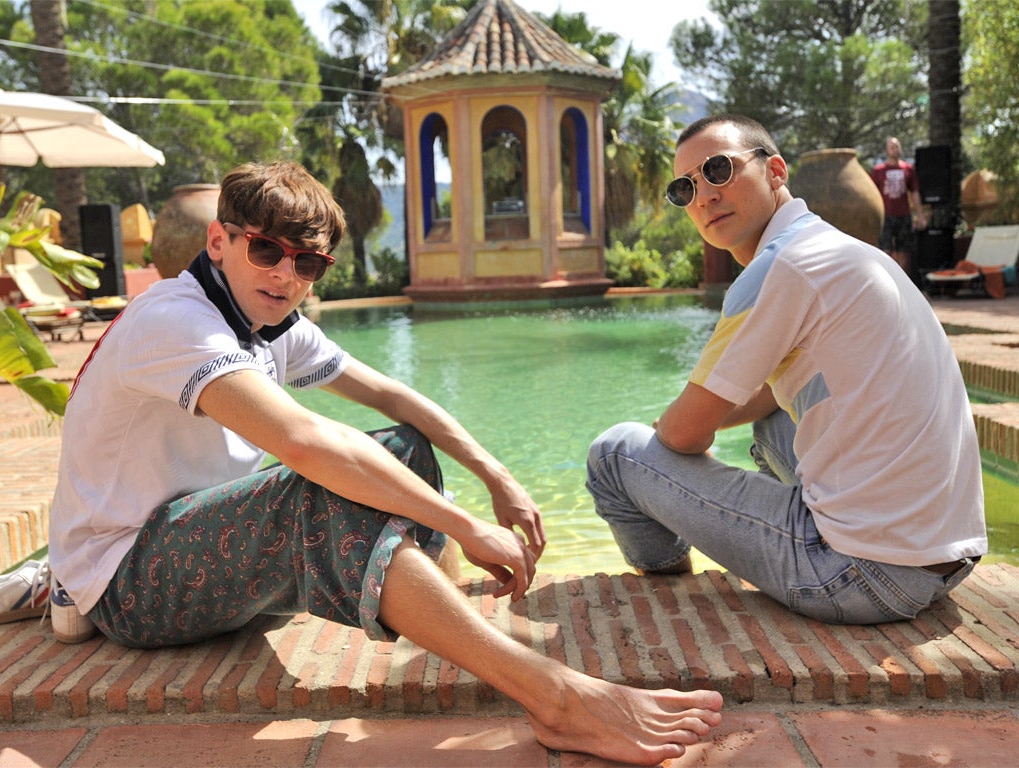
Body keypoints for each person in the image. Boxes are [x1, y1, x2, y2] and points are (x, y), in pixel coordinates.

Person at [49, 160, 722, 765]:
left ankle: (457, 623)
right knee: (313, 488)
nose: (286, 275)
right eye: (265, 251)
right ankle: (556, 700)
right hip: (128, 586)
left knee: (402, 446)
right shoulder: (175, 319)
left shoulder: (268, 322)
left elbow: (395, 396)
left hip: (192, 551)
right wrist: (463, 524)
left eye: (308, 263)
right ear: (219, 242)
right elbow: (307, 444)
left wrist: (499, 478)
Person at [586, 115, 986, 625]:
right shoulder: (841, 251)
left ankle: (670, 596)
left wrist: (669, 436)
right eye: (684, 187)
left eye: (717, 169)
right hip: (946, 558)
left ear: (775, 170)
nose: (703, 195)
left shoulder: (780, 266)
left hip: (859, 574)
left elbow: (683, 435)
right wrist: (687, 429)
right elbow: (765, 398)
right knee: (773, 424)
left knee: (617, 454)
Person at [870, 136, 926, 274]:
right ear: (886, 150)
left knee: (904, 252)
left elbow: (914, 193)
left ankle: (903, 284)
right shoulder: (878, 171)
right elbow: (872, 195)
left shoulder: (908, 169)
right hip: (885, 217)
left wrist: (920, 215)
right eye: (892, 147)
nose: (895, 149)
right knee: (885, 251)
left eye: (897, 146)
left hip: (904, 216)